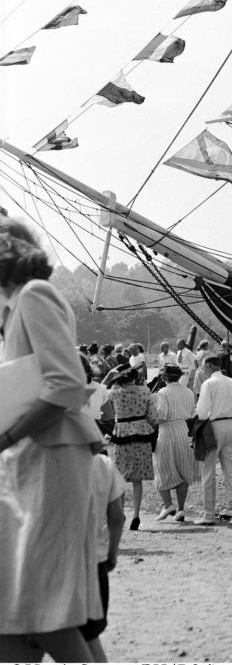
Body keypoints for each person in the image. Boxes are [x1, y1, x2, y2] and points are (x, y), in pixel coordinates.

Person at [0, 218, 106, 662]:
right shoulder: (15, 306)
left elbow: (66, 383)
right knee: (18, 610)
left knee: (43, 606)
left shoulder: (34, 296)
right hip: (33, 458)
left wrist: (5, 435)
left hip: (53, 454)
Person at [80, 449, 126, 661]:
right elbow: (116, 517)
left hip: (52, 563)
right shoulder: (103, 464)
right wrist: (112, 554)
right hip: (94, 561)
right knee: (89, 637)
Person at [194, 352, 232, 525]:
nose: (202, 370)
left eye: (203, 367)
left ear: (209, 367)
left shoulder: (208, 383)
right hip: (231, 426)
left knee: (208, 471)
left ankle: (208, 513)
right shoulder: (231, 382)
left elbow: (202, 411)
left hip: (213, 427)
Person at [108, 359, 159, 529]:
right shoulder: (145, 392)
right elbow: (153, 417)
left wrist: (112, 375)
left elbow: (103, 388)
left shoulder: (115, 393)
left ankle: (121, 512)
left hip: (122, 432)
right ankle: (136, 514)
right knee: (138, 479)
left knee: (120, 476)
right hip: (141, 434)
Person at [151, 363, 196, 522]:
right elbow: (192, 413)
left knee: (162, 468)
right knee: (183, 469)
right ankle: (181, 508)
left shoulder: (162, 392)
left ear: (164, 377)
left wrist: (150, 421)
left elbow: (162, 415)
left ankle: (168, 504)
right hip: (184, 430)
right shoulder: (189, 391)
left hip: (167, 430)